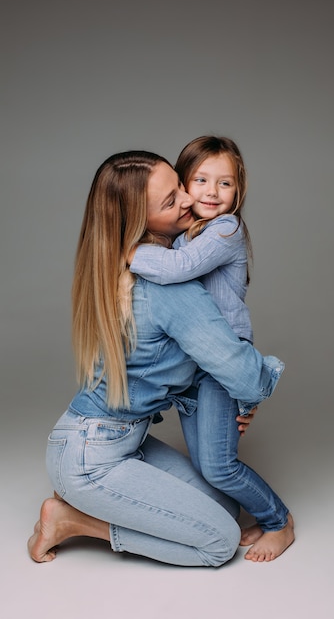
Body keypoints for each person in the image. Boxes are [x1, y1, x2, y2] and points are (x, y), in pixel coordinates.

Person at [28, 150, 295, 567]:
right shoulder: (173, 290)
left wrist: (229, 402)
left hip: (111, 442)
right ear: (140, 221)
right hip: (92, 458)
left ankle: (82, 498)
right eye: (172, 202)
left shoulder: (116, 270)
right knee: (219, 543)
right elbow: (241, 371)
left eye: (179, 187)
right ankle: (73, 518)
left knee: (226, 510)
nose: (191, 200)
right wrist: (251, 391)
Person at [129, 136, 292, 562]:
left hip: (221, 359)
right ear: (182, 185)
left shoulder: (226, 229)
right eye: (200, 180)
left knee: (219, 466)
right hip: (194, 363)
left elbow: (178, 271)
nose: (212, 192)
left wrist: (123, 249)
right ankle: (260, 512)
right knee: (206, 464)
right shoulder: (184, 232)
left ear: (239, 192)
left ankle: (279, 521)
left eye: (226, 184)